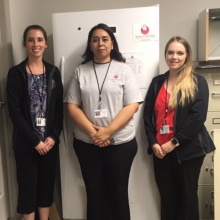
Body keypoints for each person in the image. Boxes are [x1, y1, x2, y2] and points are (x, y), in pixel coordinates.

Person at [65, 23, 143, 220]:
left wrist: (107, 132)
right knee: (94, 192)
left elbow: (132, 105)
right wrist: (95, 134)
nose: (100, 43)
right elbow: (72, 106)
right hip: (87, 144)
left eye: (105, 39)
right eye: (95, 39)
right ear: (90, 46)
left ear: (112, 44)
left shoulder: (124, 70)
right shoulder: (80, 71)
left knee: (118, 193)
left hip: (121, 144)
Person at [143, 36, 215, 220]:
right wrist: (153, 143)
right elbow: (148, 115)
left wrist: (174, 142)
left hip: (187, 151)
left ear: (187, 56)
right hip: (160, 152)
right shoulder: (157, 82)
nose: (174, 56)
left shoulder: (197, 82)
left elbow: (197, 118)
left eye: (180, 53)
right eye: (170, 52)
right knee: (168, 199)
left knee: (187, 198)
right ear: (166, 54)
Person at [6, 25, 63, 220]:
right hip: (26, 145)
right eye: (31, 40)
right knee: (27, 189)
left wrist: (54, 137)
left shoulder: (54, 72)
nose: (35, 44)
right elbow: (14, 112)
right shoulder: (15, 74)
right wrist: (34, 141)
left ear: (46, 44)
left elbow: (59, 110)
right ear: (25, 44)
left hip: (49, 144)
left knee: (46, 188)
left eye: (39, 39)